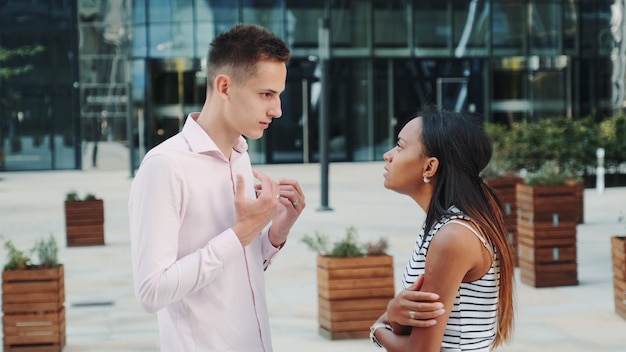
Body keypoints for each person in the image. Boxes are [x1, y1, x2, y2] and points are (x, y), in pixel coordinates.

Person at [128, 24, 306, 352]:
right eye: (266, 94)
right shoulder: (165, 165)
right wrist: (241, 233)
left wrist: (273, 236)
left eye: (278, 95)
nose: (277, 110)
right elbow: (151, 292)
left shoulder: (240, 155)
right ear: (224, 86)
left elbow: (234, 271)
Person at [370, 105, 515, 351]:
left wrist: (379, 327)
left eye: (400, 146)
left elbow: (421, 349)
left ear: (429, 167)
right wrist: (394, 315)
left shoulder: (453, 236)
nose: (388, 155)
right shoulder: (445, 226)